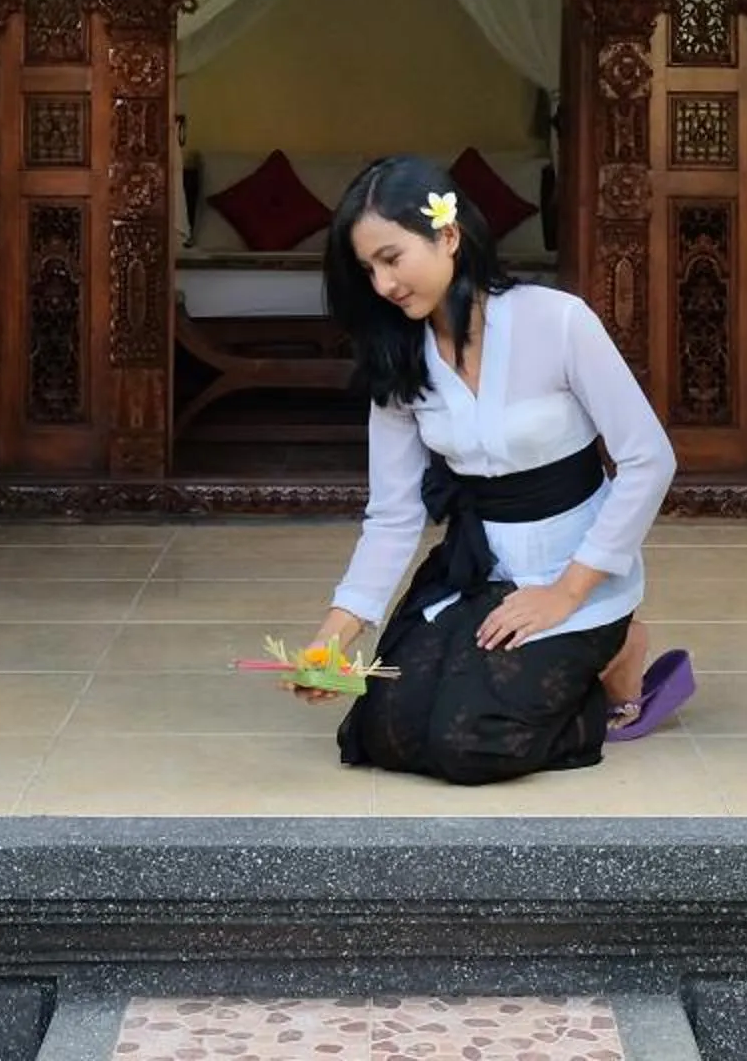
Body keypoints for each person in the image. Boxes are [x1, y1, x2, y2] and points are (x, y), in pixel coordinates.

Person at [297, 155, 694, 784]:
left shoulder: (557, 320)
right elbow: (394, 515)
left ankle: (618, 648)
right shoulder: (397, 357)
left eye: (392, 259)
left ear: (448, 236)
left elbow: (649, 458)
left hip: (578, 574)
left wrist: (566, 593)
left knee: (470, 745)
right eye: (368, 269)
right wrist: (334, 634)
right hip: (479, 567)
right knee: (386, 731)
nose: (383, 285)